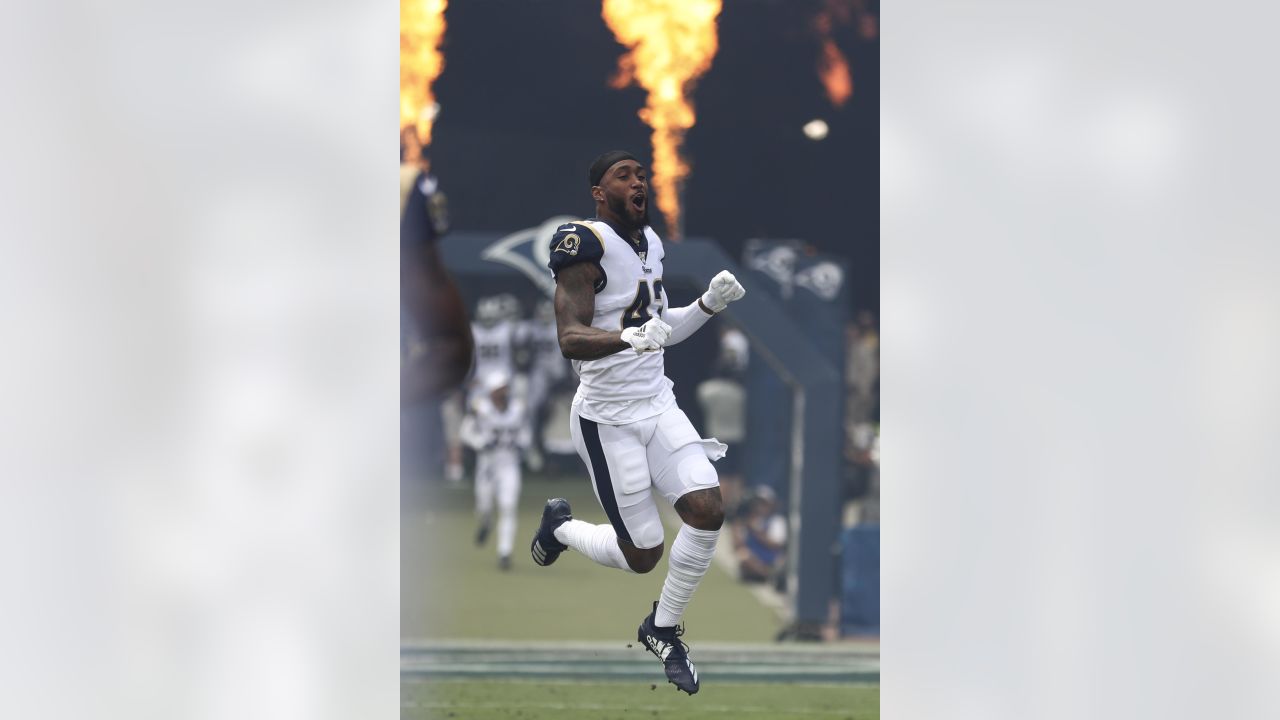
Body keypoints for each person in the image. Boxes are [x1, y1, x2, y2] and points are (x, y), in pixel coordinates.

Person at [528, 150, 746, 695]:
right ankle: (559, 527)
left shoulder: (652, 245)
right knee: (643, 554)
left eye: (641, 174)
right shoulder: (585, 245)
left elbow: (658, 326)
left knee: (707, 508)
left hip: (658, 403)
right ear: (599, 193)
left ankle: (663, 628)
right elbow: (570, 336)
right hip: (608, 419)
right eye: (623, 176)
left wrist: (707, 306)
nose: (638, 181)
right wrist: (626, 338)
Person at [459, 371, 530, 570]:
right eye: (499, 389)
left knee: (508, 506)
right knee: (484, 506)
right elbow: (465, 432)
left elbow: (525, 432)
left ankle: (504, 552)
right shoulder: (481, 408)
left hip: (509, 465)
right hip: (487, 467)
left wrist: (523, 443)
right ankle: (486, 522)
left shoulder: (517, 408)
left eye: (505, 387)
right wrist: (480, 443)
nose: (503, 392)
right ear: (491, 391)